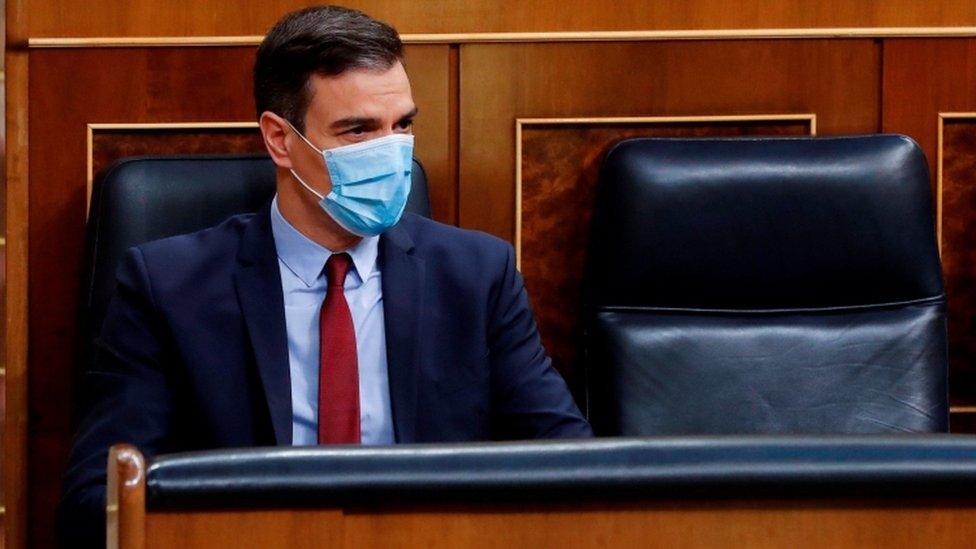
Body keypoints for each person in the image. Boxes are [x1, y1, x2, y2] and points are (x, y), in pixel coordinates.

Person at [57, 5, 591, 546]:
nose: (392, 152)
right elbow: (96, 504)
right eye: (358, 130)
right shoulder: (168, 287)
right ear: (280, 139)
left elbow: (571, 468)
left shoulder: (478, 276)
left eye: (402, 125)